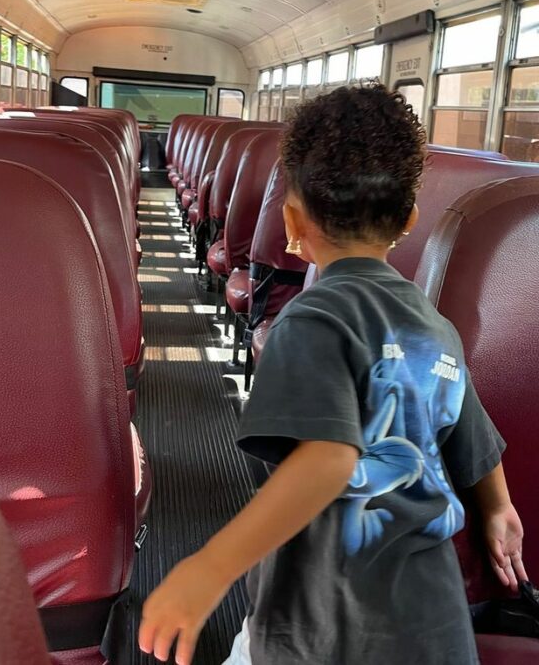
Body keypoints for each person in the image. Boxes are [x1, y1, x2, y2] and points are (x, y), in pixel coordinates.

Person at [138, 83, 528, 665]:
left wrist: (208, 569)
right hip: (433, 620)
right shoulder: (436, 328)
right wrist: (500, 510)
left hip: (324, 616)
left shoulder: (311, 318)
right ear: (410, 220)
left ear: (292, 223)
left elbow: (327, 458)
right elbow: (475, 447)